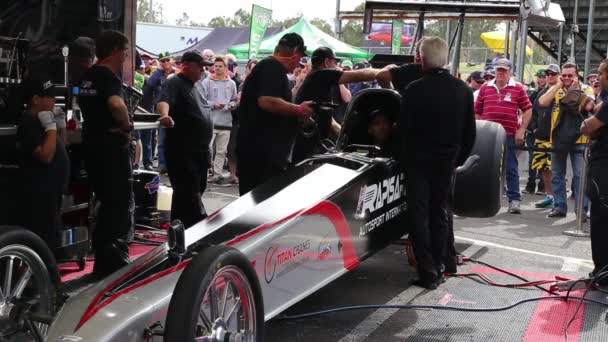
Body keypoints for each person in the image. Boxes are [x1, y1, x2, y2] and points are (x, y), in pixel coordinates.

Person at [401, 37, 476, 289]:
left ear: (422, 59)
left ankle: (428, 272)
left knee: (419, 215)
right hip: (446, 162)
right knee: (440, 212)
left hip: (418, 162)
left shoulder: (414, 89)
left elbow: (405, 130)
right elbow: (470, 134)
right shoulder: (463, 89)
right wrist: (457, 160)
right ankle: (442, 264)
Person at [78, 30, 133, 277]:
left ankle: (104, 261)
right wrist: (126, 125)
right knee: (118, 204)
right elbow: (116, 104)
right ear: (115, 51)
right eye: (124, 51)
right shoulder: (108, 76)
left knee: (105, 202)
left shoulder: (86, 76)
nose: (125, 57)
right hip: (110, 149)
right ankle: (112, 264)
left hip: (91, 145)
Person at [236, 33, 314, 195]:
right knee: (258, 203)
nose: (298, 64)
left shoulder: (271, 69)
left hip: (262, 152)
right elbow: (266, 100)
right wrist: (298, 109)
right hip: (261, 155)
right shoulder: (271, 67)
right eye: (299, 58)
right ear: (295, 52)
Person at [292, 46, 380, 163]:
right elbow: (359, 75)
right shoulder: (320, 75)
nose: (338, 66)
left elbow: (328, 119)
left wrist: (345, 138)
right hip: (307, 147)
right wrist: (384, 72)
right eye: (336, 62)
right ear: (326, 62)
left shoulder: (317, 81)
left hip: (313, 143)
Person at [157, 52, 214, 228]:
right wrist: (165, 116)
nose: (203, 71)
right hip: (183, 150)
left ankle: (181, 227)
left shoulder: (198, 86)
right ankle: (195, 228)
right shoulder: (174, 82)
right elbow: (163, 101)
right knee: (189, 193)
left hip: (200, 150)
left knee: (195, 191)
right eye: (200, 67)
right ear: (187, 66)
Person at [16, 77, 69, 250]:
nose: (53, 100)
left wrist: (60, 126)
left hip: (54, 189)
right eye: (49, 96)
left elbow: (62, 144)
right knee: (43, 238)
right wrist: (50, 126)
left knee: (53, 234)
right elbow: (46, 155)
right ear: (36, 99)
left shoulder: (43, 120)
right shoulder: (29, 122)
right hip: (40, 190)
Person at [475, 58, 532, 214]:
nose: (500, 73)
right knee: (484, 167)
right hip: (487, 135)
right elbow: (477, 110)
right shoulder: (485, 87)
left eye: (504, 70)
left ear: (510, 72)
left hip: (509, 134)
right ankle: (482, 197)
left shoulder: (518, 88)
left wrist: (522, 130)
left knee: (511, 168)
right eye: (498, 69)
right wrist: (480, 128)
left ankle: (514, 200)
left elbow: (528, 109)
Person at [538, 63, 595, 218]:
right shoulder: (557, 88)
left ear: (577, 76)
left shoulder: (585, 89)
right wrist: (557, 85)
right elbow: (542, 102)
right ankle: (559, 207)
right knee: (557, 175)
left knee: (579, 176)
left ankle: (581, 211)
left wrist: (574, 89)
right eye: (564, 75)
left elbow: (590, 105)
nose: (566, 78)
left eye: (570, 75)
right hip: (558, 139)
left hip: (580, 139)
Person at [581, 59, 608, 280]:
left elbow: (588, 127)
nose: (598, 78)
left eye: (601, 73)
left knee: (601, 223)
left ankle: (602, 273)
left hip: (604, 168)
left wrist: (589, 121)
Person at [201, 56, 238, 183]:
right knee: (207, 148)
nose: (217, 68)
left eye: (220, 66)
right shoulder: (207, 81)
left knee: (222, 151)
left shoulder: (231, 83)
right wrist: (213, 104)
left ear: (226, 67)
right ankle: (204, 172)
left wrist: (232, 105)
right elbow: (202, 100)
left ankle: (217, 174)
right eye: (215, 66)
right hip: (210, 121)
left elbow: (234, 99)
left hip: (226, 121)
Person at [531, 65, 559, 209]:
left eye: (553, 73)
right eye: (548, 73)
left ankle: (558, 198)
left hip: (554, 138)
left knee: (555, 169)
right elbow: (534, 112)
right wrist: (535, 128)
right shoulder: (541, 92)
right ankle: (549, 195)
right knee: (543, 168)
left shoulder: (562, 92)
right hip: (541, 137)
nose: (550, 76)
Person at [142, 51, 174, 172]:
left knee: (174, 139)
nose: (165, 63)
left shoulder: (177, 73)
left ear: (171, 60)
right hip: (161, 109)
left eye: (167, 60)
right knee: (162, 138)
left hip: (175, 109)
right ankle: (162, 164)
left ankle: (172, 164)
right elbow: (149, 86)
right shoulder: (157, 74)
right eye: (163, 61)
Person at [523, 69, 548, 195]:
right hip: (533, 131)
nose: (540, 79)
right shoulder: (532, 93)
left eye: (543, 77)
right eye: (539, 77)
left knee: (545, 159)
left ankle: (543, 185)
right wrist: (533, 127)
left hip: (545, 132)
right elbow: (528, 111)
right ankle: (531, 184)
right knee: (532, 158)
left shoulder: (550, 92)